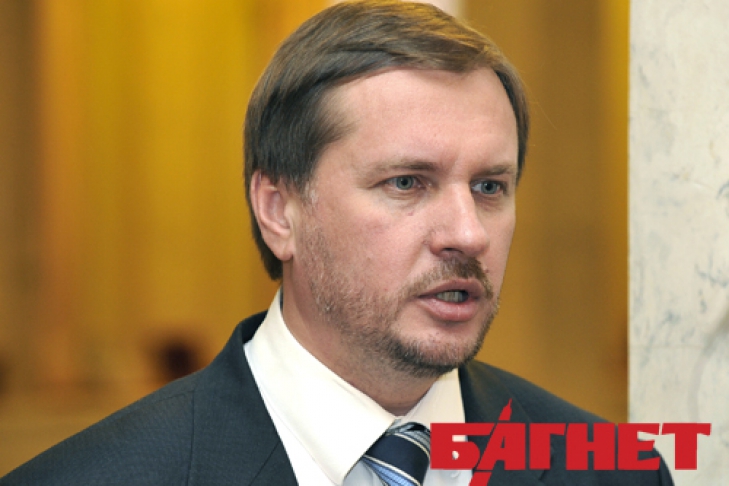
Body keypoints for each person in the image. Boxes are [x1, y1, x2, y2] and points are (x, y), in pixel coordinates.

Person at [2, 1, 673, 485]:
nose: (468, 233)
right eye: (407, 182)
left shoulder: (616, 472)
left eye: (490, 186)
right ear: (279, 211)